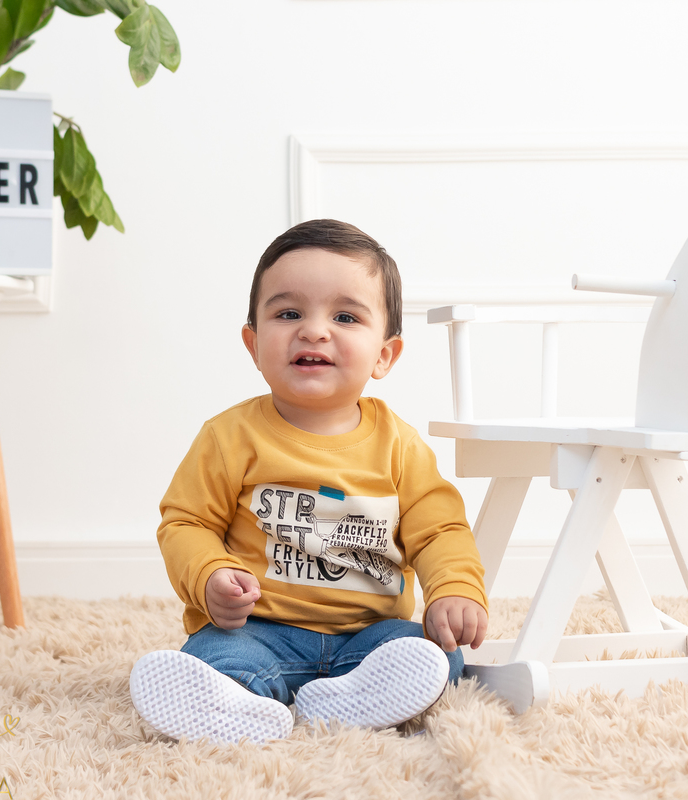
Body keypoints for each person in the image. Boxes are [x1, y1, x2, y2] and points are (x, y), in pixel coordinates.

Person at [130, 219, 489, 745]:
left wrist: (453, 590)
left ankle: (351, 698)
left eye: (345, 316)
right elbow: (186, 522)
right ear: (253, 344)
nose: (314, 330)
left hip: (367, 634)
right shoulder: (230, 437)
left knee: (433, 656)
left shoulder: (399, 446)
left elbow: (440, 531)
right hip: (258, 631)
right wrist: (210, 575)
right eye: (289, 312)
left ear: (384, 355)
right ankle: (239, 701)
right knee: (212, 657)